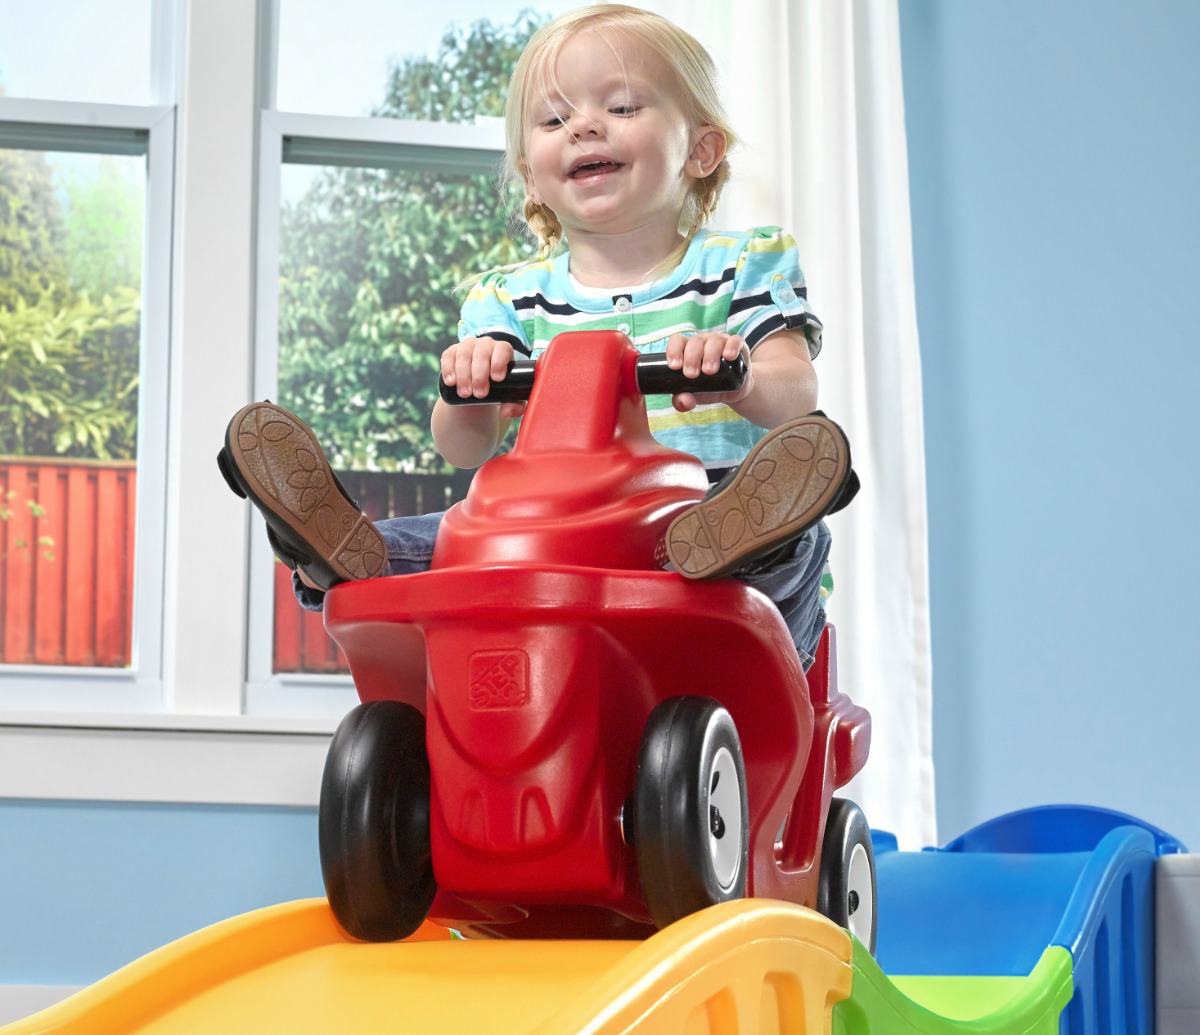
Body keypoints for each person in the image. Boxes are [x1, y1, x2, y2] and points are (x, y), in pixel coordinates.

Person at [219, 4, 857, 669]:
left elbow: (795, 393)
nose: (584, 126)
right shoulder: (508, 299)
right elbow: (463, 448)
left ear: (700, 149)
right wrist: (469, 387)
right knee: (459, 537)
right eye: (554, 120)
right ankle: (349, 555)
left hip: (705, 516)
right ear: (532, 174)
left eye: (622, 107)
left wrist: (744, 373)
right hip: (556, 536)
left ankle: (727, 553)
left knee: (784, 532)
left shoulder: (743, 264)